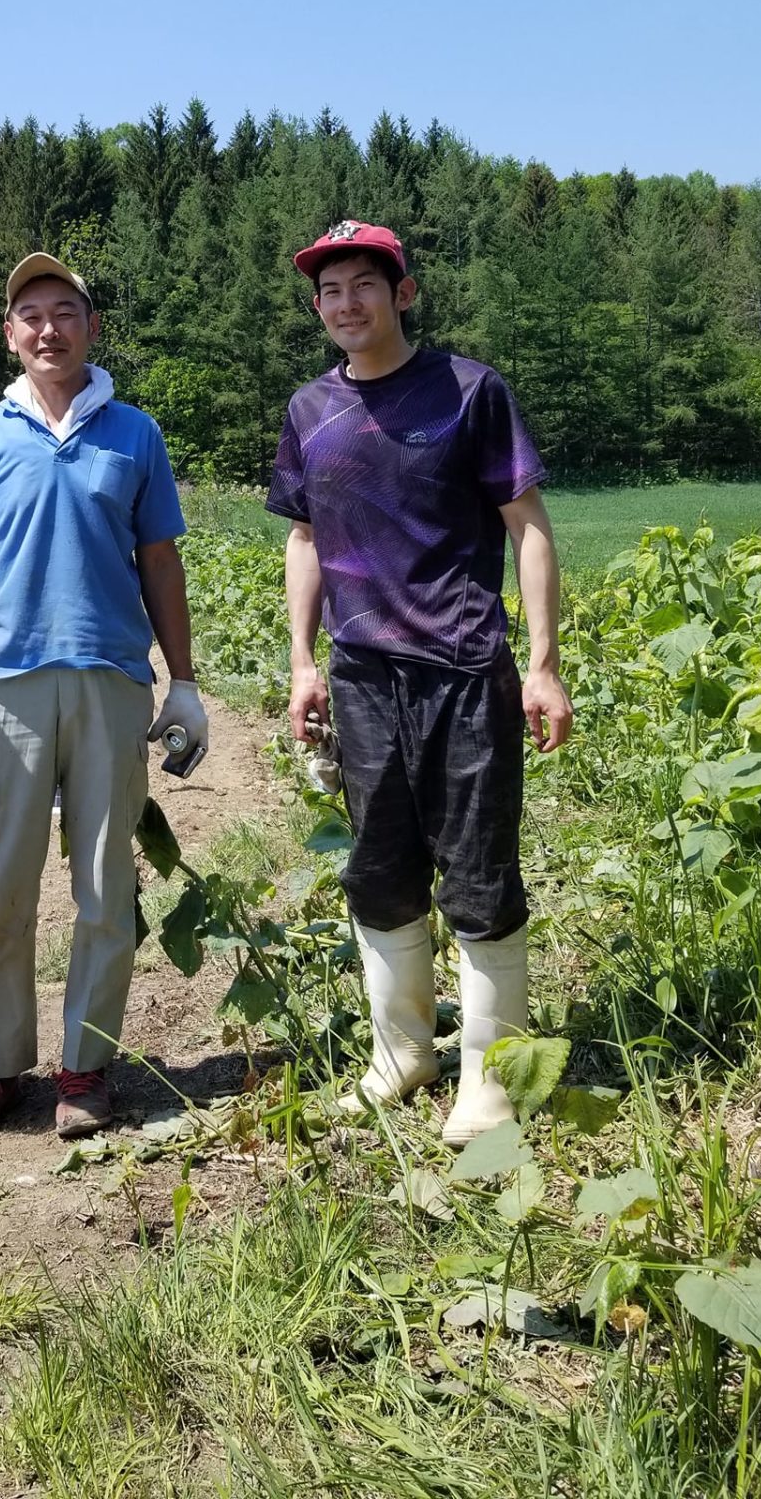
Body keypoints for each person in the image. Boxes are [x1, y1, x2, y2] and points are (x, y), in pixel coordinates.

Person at [267, 221, 573, 1148]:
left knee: (480, 872)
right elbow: (306, 539)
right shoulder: (309, 411)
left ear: (402, 293)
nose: (346, 303)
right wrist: (303, 663)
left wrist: (544, 664)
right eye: (330, 291)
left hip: (466, 671)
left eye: (364, 284)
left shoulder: (470, 391)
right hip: (362, 679)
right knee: (380, 867)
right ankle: (405, 1052)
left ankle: (489, 1075)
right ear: (318, 307)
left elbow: (530, 528)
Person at [0, 254, 206, 1144]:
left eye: (64, 311)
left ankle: (85, 1070)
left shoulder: (135, 434)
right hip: (5, 684)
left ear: (91, 327)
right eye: (29, 315)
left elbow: (159, 561)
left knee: (102, 887)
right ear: (9, 335)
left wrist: (187, 682)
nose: (47, 328)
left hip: (110, 681)